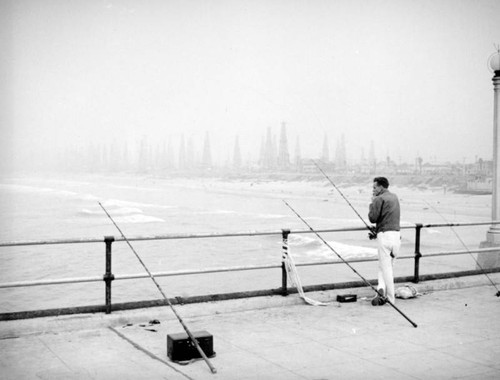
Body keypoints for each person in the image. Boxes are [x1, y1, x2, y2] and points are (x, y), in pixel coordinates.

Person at [368, 177, 401, 306]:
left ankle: (391, 299)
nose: (373, 190)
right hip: (397, 236)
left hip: (385, 236)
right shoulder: (395, 197)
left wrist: (372, 203)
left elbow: (372, 218)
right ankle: (381, 290)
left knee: (385, 268)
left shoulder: (378, 199)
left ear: (381, 187)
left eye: (374, 187)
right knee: (386, 266)